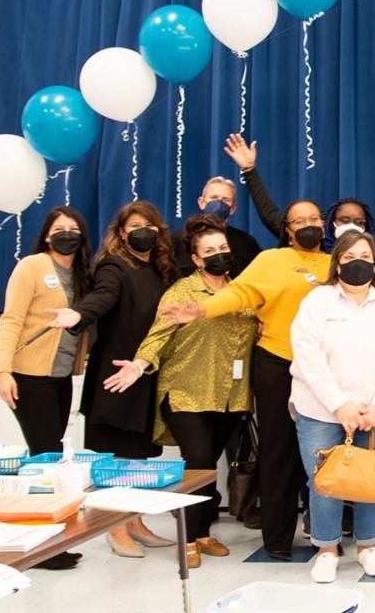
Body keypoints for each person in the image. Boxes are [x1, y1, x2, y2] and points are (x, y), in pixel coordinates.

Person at [158, 198, 331, 560]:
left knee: (323, 454)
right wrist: (202, 309)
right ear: (288, 229)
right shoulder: (270, 260)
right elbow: (238, 294)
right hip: (278, 366)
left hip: (325, 371)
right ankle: (278, 539)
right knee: (278, 452)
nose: (308, 224)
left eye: (314, 218)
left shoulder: (336, 264)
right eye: (299, 220)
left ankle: (326, 535)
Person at [102, 215, 260, 568]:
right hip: (186, 392)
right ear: (197, 259)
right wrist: (139, 364)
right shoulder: (181, 292)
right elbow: (157, 337)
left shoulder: (242, 292)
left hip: (229, 397)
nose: (219, 255)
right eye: (210, 251)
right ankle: (188, 537)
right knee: (199, 463)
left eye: (223, 248)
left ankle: (203, 533)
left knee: (208, 469)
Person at [45, 201, 179, 557]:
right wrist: (77, 315)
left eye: (150, 225)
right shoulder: (114, 266)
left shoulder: (161, 270)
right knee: (115, 458)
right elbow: (101, 298)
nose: (143, 231)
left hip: (146, 371)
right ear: (122, 233)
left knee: (138, 457)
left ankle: (134, 521)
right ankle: (114, 527)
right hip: (116, 374)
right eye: (135, 225)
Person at [289, 230, 375, 583]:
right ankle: (327, 550)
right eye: (348, 257)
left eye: (364, 256)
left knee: (372, 481)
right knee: (325, 482)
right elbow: (308, 357)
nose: (356, 263)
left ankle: (368, 547)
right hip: (321, 410)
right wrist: (339, 404)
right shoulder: (318, 301)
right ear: (337, 263)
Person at [0, 206, 94, 571]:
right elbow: (11, 319)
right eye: (59, 228)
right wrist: (3, 371)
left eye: (74, 228)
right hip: (28, 374)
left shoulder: (82, 275)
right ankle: (42, 546)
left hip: (61, 376)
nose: (66, 233)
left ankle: (49, 538)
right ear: (47, 236)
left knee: (51, 459)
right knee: (45, 457)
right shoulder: (32, 266)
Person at [221, 133, 375, 251]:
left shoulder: (373, 256)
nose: (351, 226)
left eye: (358, 222)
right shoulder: (317, 244)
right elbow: (269, 214)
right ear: (328, 223)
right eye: (344, 220)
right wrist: (249, 170)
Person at [172, 176, 263, 277]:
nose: (219, 203)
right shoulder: (178, 239)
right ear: (202, 203)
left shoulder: (246, 242)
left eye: (225, 199)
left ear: (232, 208)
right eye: (214, 198)